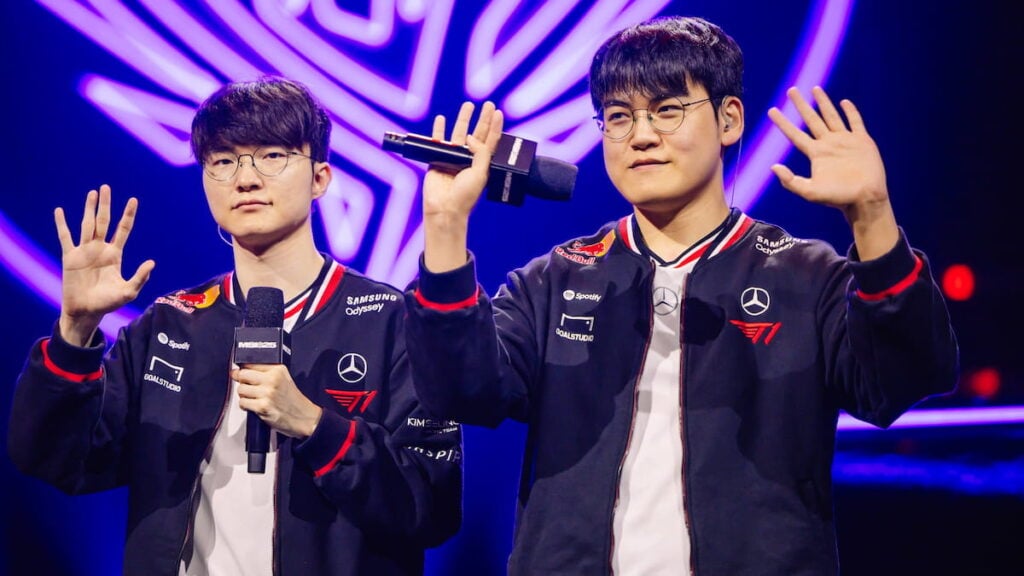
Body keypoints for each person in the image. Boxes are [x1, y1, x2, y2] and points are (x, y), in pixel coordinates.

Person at [403, 15, 958, 575]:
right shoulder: (556, 280)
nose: (641, 136)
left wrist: (872, 217)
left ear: (728, 119)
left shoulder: (804, 276)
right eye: (619, 117)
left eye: (667, 110)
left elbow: (902, 382)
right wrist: (445, 224)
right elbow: (461, 393)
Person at [7, 77, 462, 575]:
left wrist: (315, 426)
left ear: (320, 179)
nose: (245, 179)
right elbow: (54, 460)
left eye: (272, 156)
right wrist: (75, 333)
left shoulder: (394, 322)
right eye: (223, 161)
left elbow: (432, 507)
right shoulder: (170, 325)